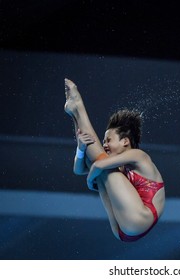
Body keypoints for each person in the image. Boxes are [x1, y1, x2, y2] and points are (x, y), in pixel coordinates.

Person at [64, 78, 165, 242]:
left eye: (108, 140)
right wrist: (81, 149)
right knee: (95, 164)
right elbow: (81, 168)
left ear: (125, 141)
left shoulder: (139, 156)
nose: (104, 145)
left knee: (101, 166)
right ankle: (74, 112)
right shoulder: (119, 168)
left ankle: (78, 108)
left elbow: (96, 165)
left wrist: (91, 179)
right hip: (123, 230)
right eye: (104, 141)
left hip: (140, 219)